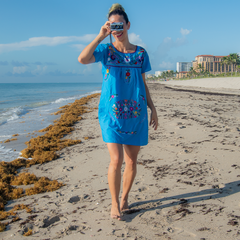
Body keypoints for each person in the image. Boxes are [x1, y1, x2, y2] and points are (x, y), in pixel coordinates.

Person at [78, 3, 158, 220]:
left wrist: (153, 109)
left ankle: (124, 199)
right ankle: (114, 203)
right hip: (111, 115)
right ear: (109, 27)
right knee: (116, 160)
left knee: (132, 161)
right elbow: (83, 59)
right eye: (112, 25)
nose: (117, 28)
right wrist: (100, 36)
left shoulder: (141, 54)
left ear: (128, 25)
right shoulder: (106, 51)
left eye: (120, 24)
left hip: (136, 115)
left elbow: (143, 84)